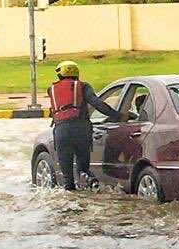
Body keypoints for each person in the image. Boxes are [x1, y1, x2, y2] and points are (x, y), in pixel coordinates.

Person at [47, 60, 125, 191]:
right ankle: (91, 181)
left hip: (61, 131)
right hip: (81, 129)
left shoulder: (52, 90)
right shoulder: (83, 86)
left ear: (60, 74)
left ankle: (71, 196)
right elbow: (97, 103)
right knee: (83, 168)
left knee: (67, 177)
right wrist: (118, 116)